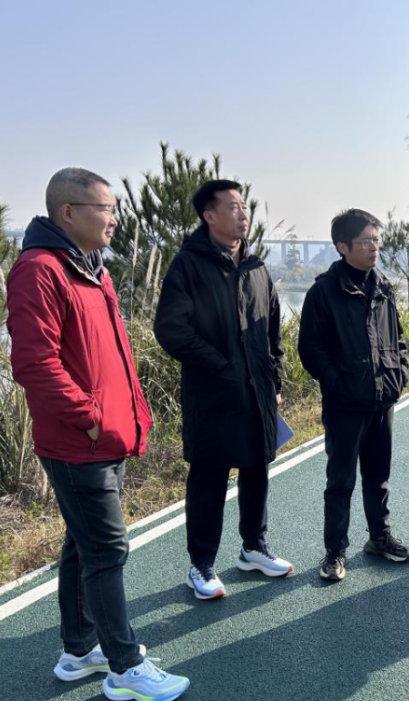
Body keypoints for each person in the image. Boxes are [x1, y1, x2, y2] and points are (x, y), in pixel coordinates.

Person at [7, 167, 189, 701]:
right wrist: (89, 416)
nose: (114, 219)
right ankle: (125, 667)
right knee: (107, 550)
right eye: (105, 209)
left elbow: (113, 356)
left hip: (104, 436)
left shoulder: (91, 269)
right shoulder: (40, 270)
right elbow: (35, 363)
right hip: (77, 442)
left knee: (81, 545)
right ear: (68, 213)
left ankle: (79, 649)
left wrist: (130, 416)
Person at [154, 180, 292, 601]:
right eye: (233, 206)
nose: (243, 213)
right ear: (209, 216)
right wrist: (220, 366)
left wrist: (275, 378)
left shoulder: (255, 267)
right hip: (212, 393)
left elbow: (273, 329)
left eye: (244, 205)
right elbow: (171, 329)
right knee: (209, 477)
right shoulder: (188, 265)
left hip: (257, 391)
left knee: (257, 469)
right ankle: (202, 564)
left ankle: (254, 547)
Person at [298, 209, 409, 582]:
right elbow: (310, 348)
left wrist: (400, 373)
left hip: (383, 400)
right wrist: (337, 383)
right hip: (345, 404)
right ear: (342, 247)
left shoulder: (383, 286)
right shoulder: (324, 292)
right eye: (366, 241)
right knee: (340, 481)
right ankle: (335, 551)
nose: (374, 247)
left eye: (376, 239)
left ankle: (379, 538)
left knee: (378, 477)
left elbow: (398, 338)